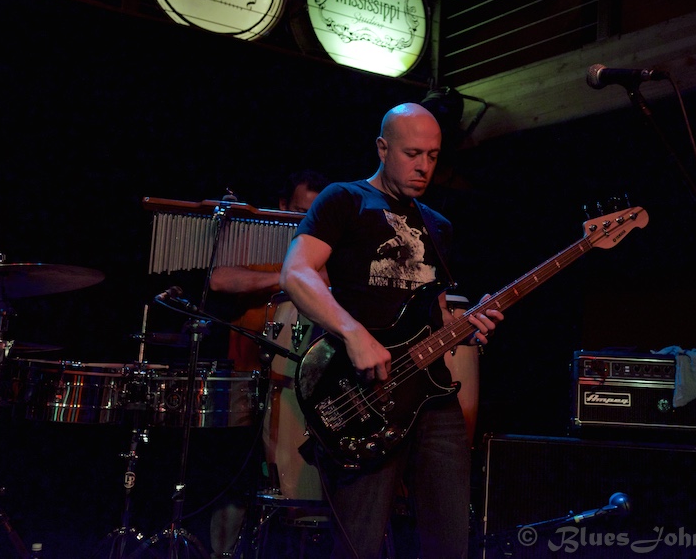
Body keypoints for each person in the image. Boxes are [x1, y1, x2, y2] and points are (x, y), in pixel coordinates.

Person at [279, 102, 503, 558]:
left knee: (449, 543)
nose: (424, 167)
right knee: (358, 544)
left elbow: (434, 313)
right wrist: (355, 334)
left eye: (433, 156)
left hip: (434, 396)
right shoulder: (344, 199)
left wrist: (468, 327)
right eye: (412, 153)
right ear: (383, 148)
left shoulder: (438, 226)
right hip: (364, 393)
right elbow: (296, 272)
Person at [206, 169, 330, 557]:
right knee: (233, 481)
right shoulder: (257, 236)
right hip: (244, 376)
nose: (303, 219)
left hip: (297, 384)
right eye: (297, 210)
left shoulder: (322, 241)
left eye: (312, 212)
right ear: (281, 206)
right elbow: (221, 279)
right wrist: (288, 277)